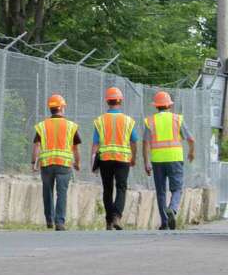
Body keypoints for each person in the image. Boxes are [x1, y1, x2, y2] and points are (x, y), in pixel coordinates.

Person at [142, 90, 196, 230]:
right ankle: (172, 208)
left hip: (157, 160)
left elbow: (145, 143)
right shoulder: (178, 119)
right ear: (169, 105)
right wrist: (191, 152)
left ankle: (165, 222)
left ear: (156, 106)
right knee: (177, 189)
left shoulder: (150, 121)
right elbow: (190, 139)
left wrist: (146, 162)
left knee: (160, 192)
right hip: (175, 159)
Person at [91, 86, 138, 231]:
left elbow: (95, 144)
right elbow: (134, 141)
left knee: (107, 189)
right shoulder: (128, 121)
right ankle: (117, 216)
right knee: (121, 188)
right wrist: (133, 157)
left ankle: (109, 221)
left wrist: (93, 162)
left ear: (107, 102)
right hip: (123, 159)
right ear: (120, 101)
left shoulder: (100, 120)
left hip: (105, 158)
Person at [31, 94, 80, 231]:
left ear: (50, 109)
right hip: (64, 164)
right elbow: (75, 147)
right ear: (62, 108)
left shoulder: (42, 126)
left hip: (46, 164)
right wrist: (77, 162)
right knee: (62, 192)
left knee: (47, 191)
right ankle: (60, 222)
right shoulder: (71, 126)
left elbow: (36, 145)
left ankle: (49, 220)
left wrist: (33, 162)